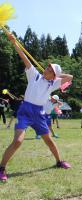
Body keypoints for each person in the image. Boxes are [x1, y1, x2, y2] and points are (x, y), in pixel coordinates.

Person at [0, 33, 73, 181]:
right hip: (26, 111)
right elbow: (25, 59)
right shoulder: (34, 75)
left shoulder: (53, 84)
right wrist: (15, 43)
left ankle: (59, 162)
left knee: (49, 140)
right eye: (47, 67)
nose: (47, 69)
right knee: (18, 141)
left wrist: (57, 75)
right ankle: (1, 168)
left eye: (50, 70)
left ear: (54, 76)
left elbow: (70, 78)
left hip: (39, 113)